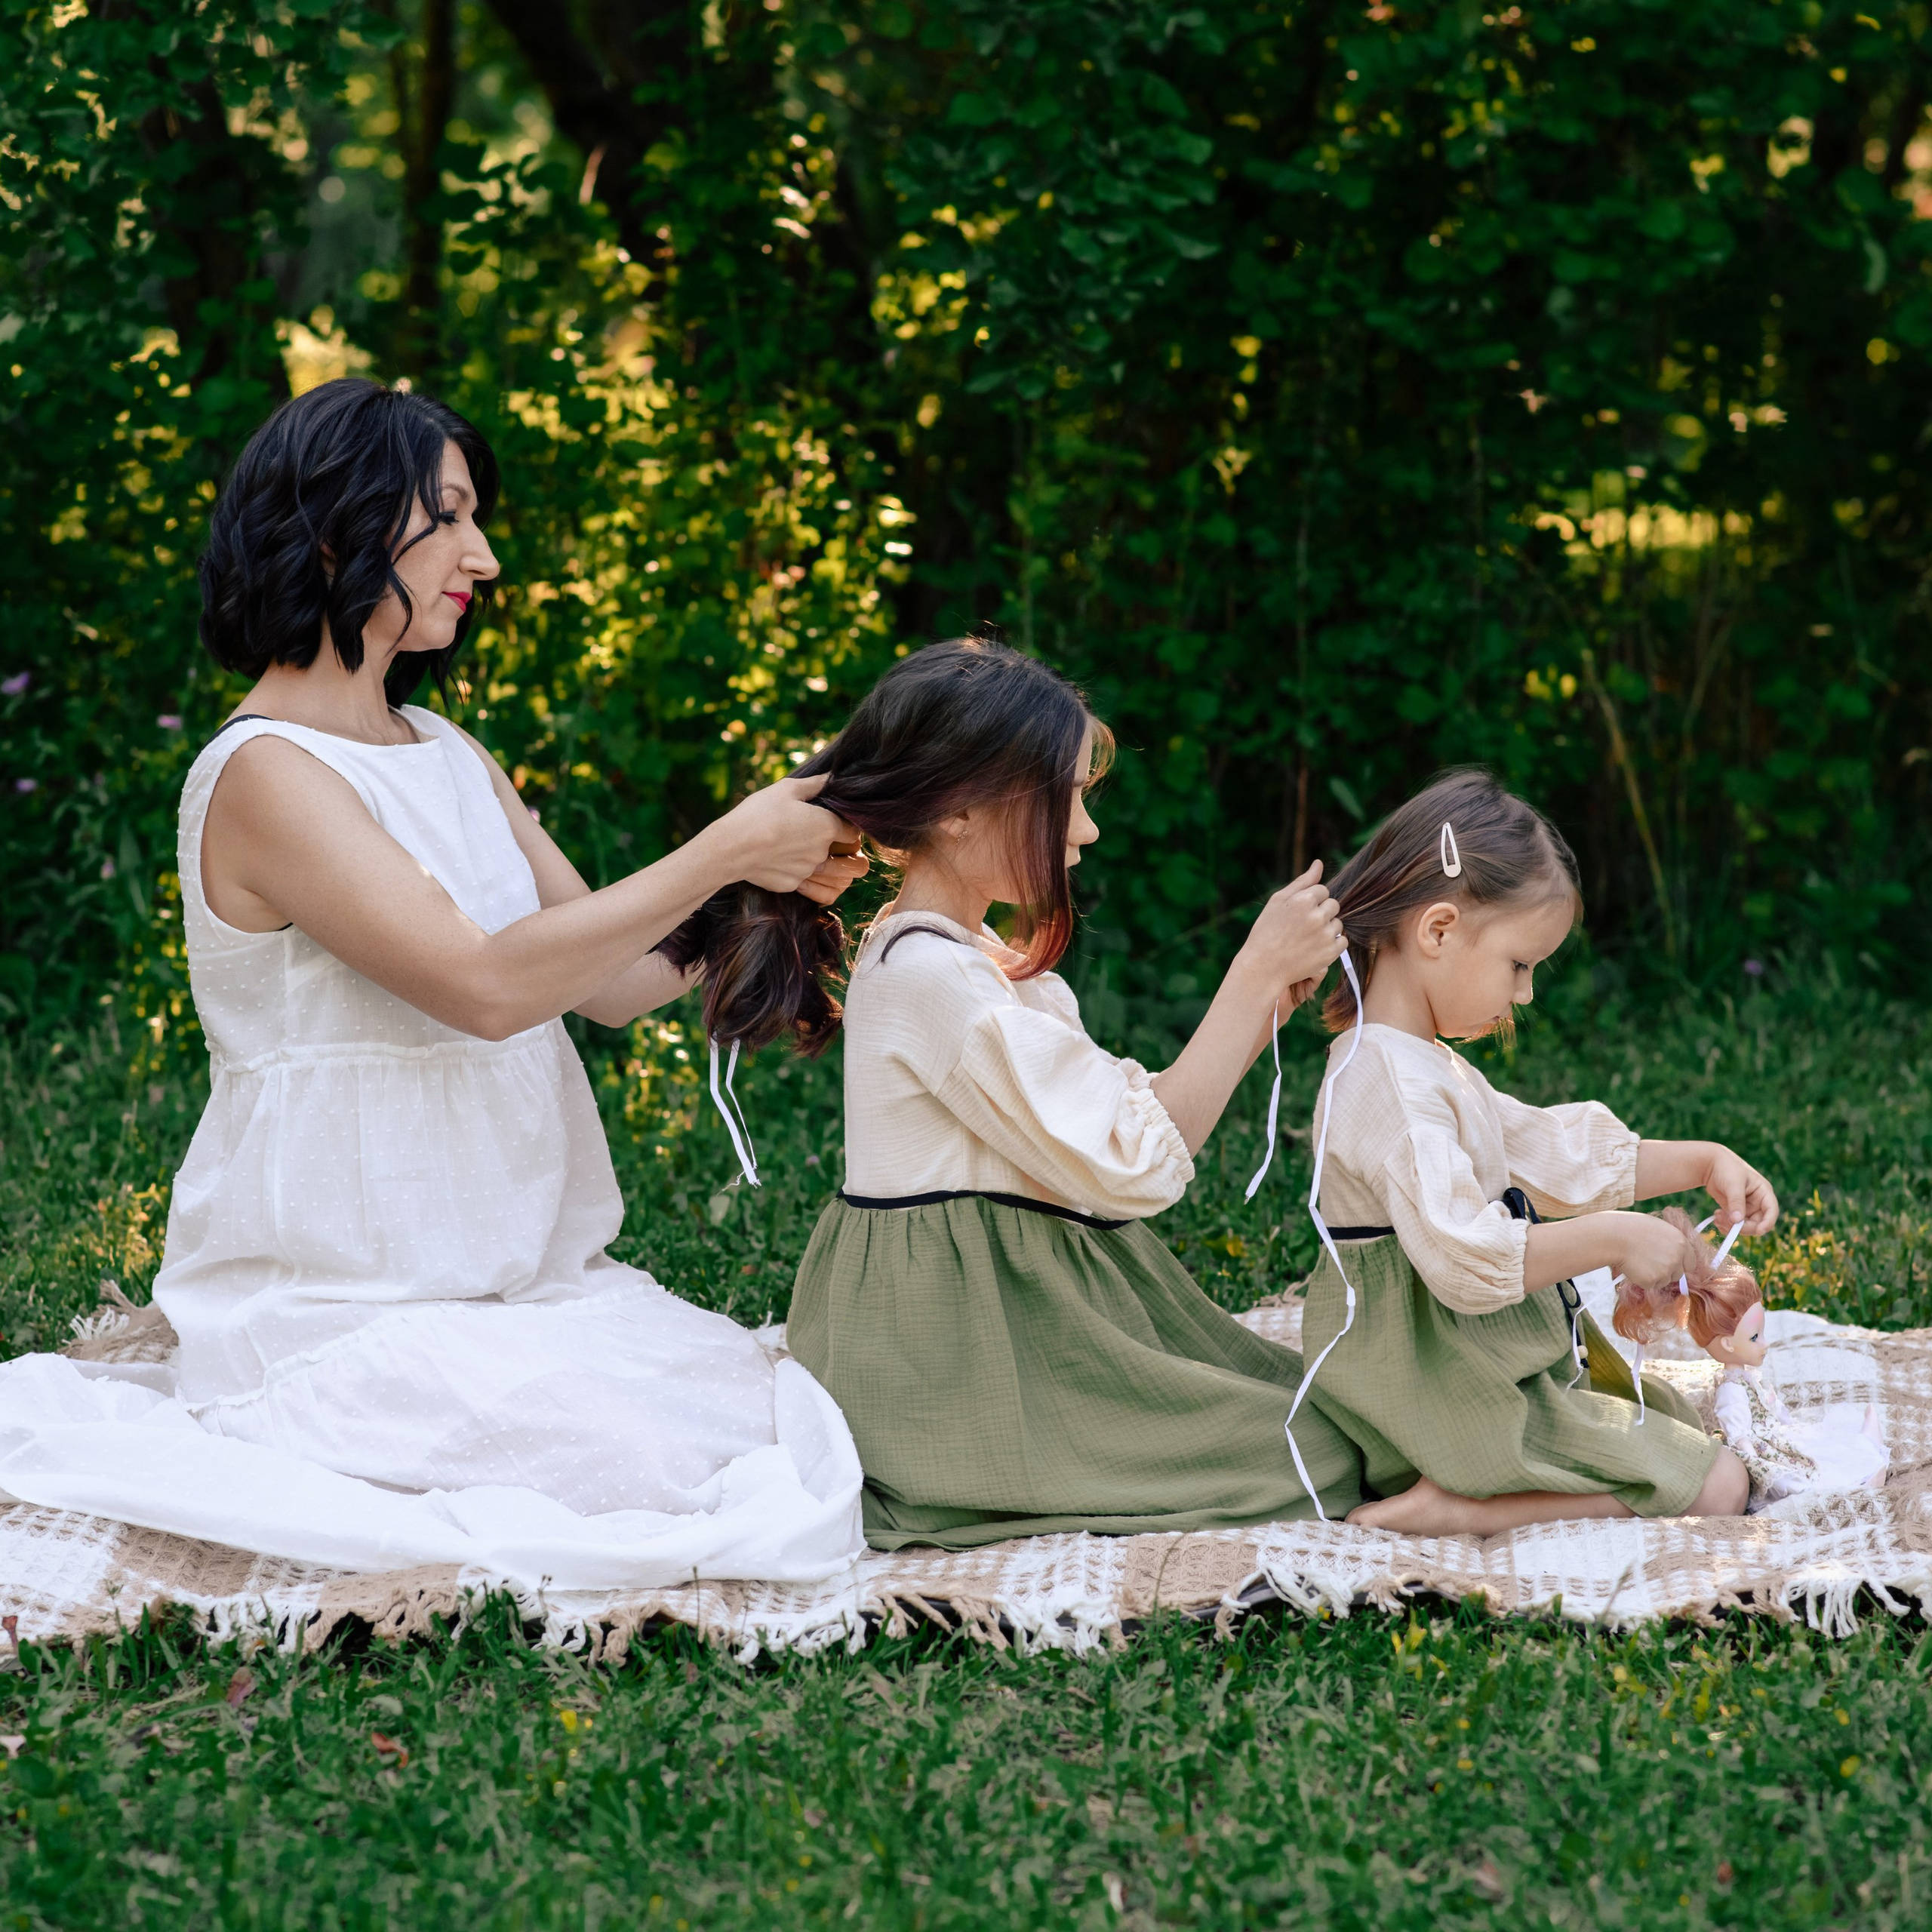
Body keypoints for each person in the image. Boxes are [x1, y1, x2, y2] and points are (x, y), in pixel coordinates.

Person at [0, 377, 872, 1588]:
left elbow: (610, 980)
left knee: (755, 1410)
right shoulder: (265, 772)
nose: (488, 556)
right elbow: (483, 986)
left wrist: (769, 886)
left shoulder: (453, 755)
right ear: (333, 530)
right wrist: (725, 842)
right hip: (340, 1304)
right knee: (657, 1469)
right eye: (450, 518)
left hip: (515, 1284)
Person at [662, 636, 1365, 1549]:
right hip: (953, 1361)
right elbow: (1136, 1164)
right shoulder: (934, 981)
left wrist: (1261, 1005)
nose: (1086, 829)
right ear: (960, 809)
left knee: (1326, 1410)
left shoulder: (975, 965)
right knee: (1324, 1450)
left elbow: (1104, 1136)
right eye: (1065, 797)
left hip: (1012, 1311)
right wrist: (1247, 978)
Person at [1293, 768, 1761, 1535]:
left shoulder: (1417, 1062)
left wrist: (1702, 1161)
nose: (1525, 995)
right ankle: (1461, 1506)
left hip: (1466, 1370)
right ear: (1437, 931)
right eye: (1519, 965)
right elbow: (1462, 1254)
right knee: (1718, 1484)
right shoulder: (1385, 1078)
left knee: (1676, 1423)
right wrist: (1613, 1236)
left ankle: (1485, 1483)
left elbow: (1552, 1152)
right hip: (1433, 1393)